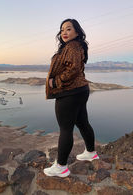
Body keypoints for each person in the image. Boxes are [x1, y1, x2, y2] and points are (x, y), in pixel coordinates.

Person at [44, 19, 99, 178]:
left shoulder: (73, 46)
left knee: (65, 129)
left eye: (69, 29)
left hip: (69, 92)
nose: (64, 33)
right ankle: (90, 152)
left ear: (77, 31)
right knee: (82, 122)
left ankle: (61, 166)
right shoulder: (75, 46)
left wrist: (56, 81)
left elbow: (73, 69)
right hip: (80, 90)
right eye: (62, 30)